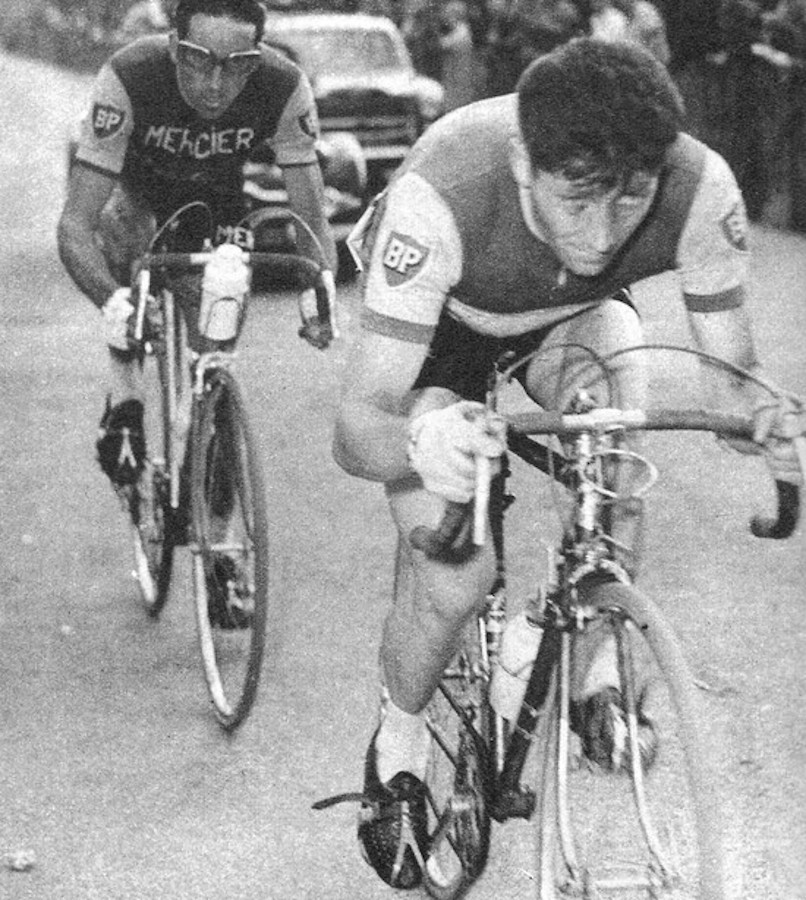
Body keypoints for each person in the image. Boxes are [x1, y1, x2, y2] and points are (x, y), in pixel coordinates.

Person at [331, 38, 802, 889]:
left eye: (630, 201)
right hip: (442, 328)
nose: (604, 232)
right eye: (577, 199)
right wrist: (422, 444)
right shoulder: (442, 197)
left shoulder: (700, 190)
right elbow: (357, 428)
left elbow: (733, 378)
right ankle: (397, 739)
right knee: (456, 580)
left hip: (570, 320)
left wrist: (762, 419)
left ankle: (592, 668)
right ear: (523, 162)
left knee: (615, 431)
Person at [58, 0, 336, 483]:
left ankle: (208, 439)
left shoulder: (284, 85)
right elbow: (75, 226)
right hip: (136, 194)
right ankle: (126, 395)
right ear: (173, 47)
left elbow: (310, 218)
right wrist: (112, 302)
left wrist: (320, 291)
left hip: (214, 197)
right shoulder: (129, 75)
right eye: (198, 60)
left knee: (216, 332)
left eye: (237, 66)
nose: (215, 84)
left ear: (258, 57)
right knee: (126, 261)